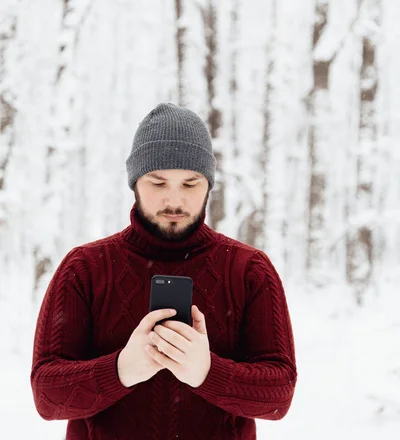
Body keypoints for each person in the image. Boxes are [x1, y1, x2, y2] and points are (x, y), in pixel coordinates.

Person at [30, 102, 297, 439]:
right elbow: (46, 395)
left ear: (208, 185)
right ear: (135, 183)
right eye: (158, 183)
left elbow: (279, 394)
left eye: (190, 184)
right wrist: (123, 369)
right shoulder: (84, 268)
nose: (175, 201)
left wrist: (207, 371)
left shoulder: (249, 270)